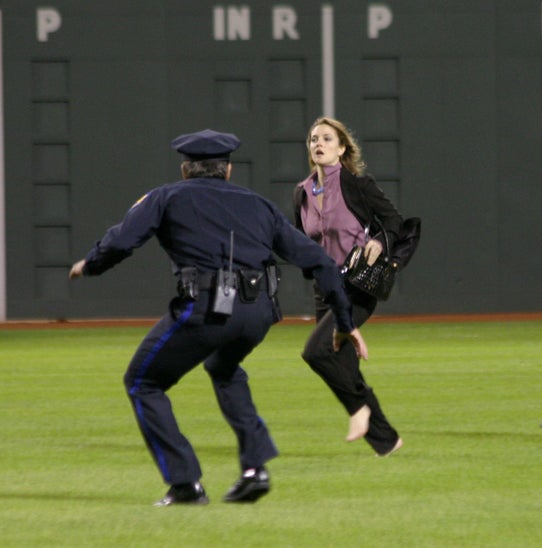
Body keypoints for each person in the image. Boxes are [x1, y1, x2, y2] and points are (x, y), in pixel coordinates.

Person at [69, 129, 368, 506]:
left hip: (208, 307)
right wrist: (344, 323)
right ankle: (254, 468)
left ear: (184, 169)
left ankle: (185, 484)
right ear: (227, 170)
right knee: (224, 367)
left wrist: (90, 265)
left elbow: (122, 241)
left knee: (143, 382)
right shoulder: (258, 204)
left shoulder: (165, 197)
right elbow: (322, 262)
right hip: (258, 313)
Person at [292, 116, 403, 456]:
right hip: (325, 290)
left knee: (315, 352)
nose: (318, 144)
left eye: (326, 138)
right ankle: (386, 442)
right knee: (344, 365)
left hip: (357, 286)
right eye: (313, 139)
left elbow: (394, 222)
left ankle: (360, 411)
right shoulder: (303, 192)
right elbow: (300, 240)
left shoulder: (358, 185)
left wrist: (381, 242)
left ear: (341, 148)